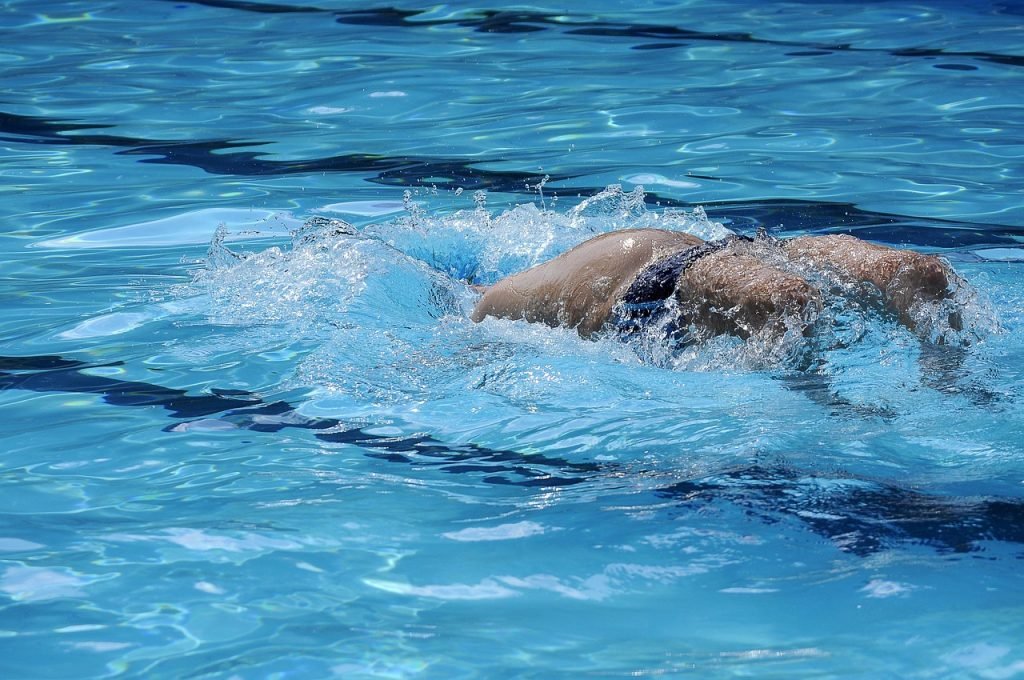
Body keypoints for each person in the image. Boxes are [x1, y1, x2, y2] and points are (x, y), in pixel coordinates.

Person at [470, 228, 959, 343]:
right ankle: (955, 382)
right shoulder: (544, 276)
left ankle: (828, 409)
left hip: (661, 285)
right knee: (919, 272)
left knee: (790, 300)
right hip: (749, 247)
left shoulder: (497, 300)